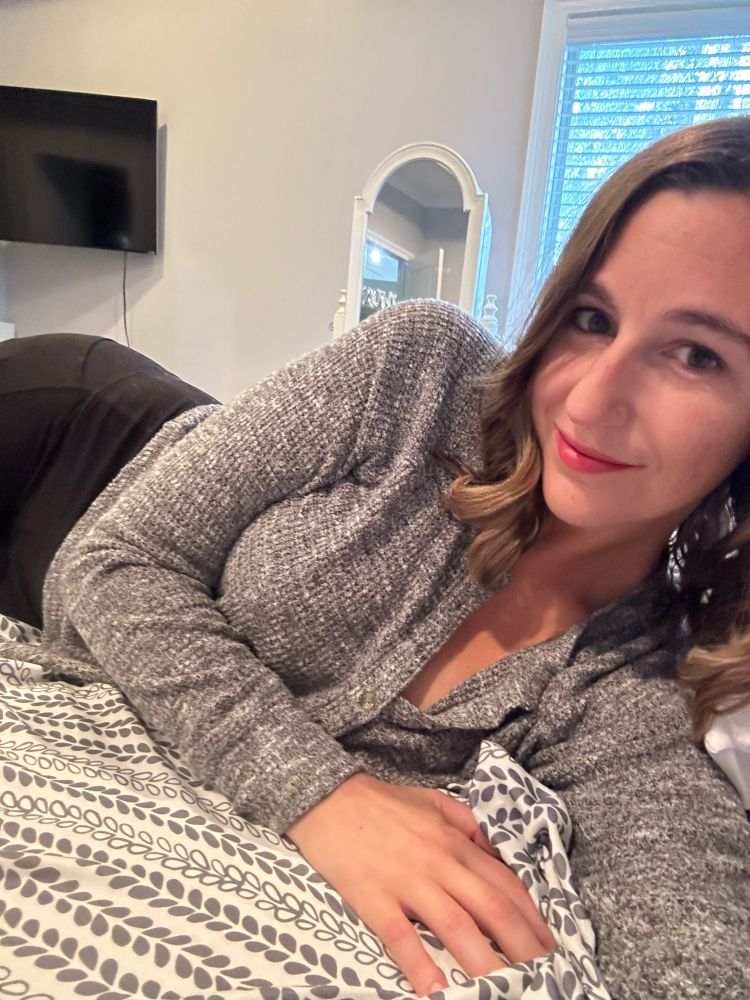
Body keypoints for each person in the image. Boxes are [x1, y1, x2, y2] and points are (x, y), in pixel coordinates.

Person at [2, 117, 750, 1000]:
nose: (592, 400)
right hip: (75, 439)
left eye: (696, 355)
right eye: (592, 319)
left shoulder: (634, 682)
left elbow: (688, 915)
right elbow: (116, 558)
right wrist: (324, 794)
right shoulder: (420, 369)